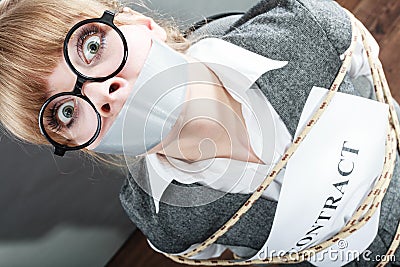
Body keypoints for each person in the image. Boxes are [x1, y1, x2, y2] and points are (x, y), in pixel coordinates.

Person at [0, 0, 399, 266]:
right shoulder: (165, 222)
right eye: (66, 111)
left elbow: (370, 76)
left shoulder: (302, 26)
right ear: (74, 143)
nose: (103, 90)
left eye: (91, 47)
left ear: (141, 24)